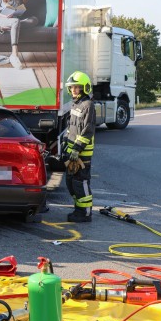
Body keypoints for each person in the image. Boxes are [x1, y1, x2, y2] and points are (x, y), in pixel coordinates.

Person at [62, 71, 96, 223]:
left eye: (77, 87)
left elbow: (87, 130)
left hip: (81, 154)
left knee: (80, 182)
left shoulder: (88, 105)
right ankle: (78, 208)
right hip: (72, 153)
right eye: (72, 87)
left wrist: (77, 149)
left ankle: (85, 213)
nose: (74, 90)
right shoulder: (75, 104)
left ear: (85, 88)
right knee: (70, 182)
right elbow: (71, 127)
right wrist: (65, 143)